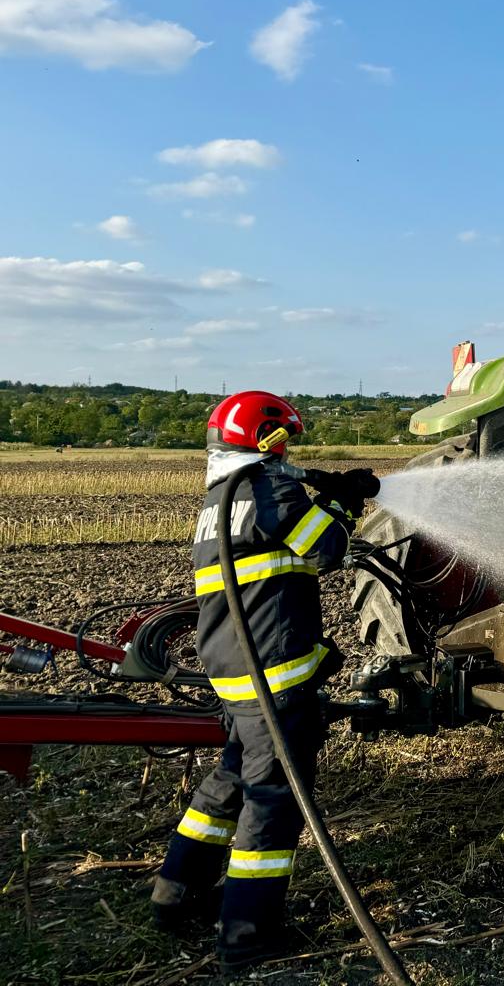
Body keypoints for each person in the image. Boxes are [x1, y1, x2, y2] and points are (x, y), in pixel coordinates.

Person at [150, 390, 379, 970]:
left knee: (227, 783)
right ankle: (247, 937)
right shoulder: (272, 489)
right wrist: (347, 504)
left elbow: (279, 556)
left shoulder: (218, 502)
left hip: (233, 674)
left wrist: (324, 491)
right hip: (273, 679)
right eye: (285, 440)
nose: (289, 450)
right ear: (266, 437)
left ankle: (175, 893)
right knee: (272, 801)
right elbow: (326, 550)